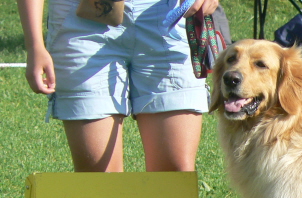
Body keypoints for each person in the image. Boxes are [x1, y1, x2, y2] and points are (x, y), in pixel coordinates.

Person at [17, 0, 219, 172]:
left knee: (174, 174)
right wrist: (34, 44)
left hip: (169, 17)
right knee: (100, 177)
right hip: (84, 19)